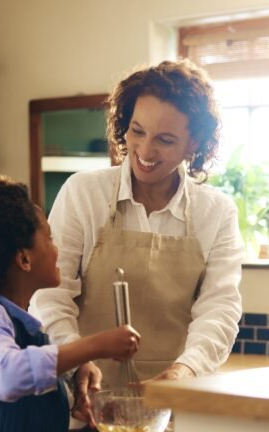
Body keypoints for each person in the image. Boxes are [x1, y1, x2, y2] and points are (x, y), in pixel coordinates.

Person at [30, 59, 244, 402]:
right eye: (137, 131)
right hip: (80, 397)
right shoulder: (84, 193)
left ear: (193, 143)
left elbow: (220, 308)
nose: (145, 151)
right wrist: (76, 361)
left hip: (172, 401)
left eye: (165, 140)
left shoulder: (216, 212)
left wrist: (185, 371)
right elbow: (50, 296)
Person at [0, 177, 141, 432]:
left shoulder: (27, 329)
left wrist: (75, 378)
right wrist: (95, 346)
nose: (57, 250)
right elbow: (7, 375)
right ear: (24, 259)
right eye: (50, 238)